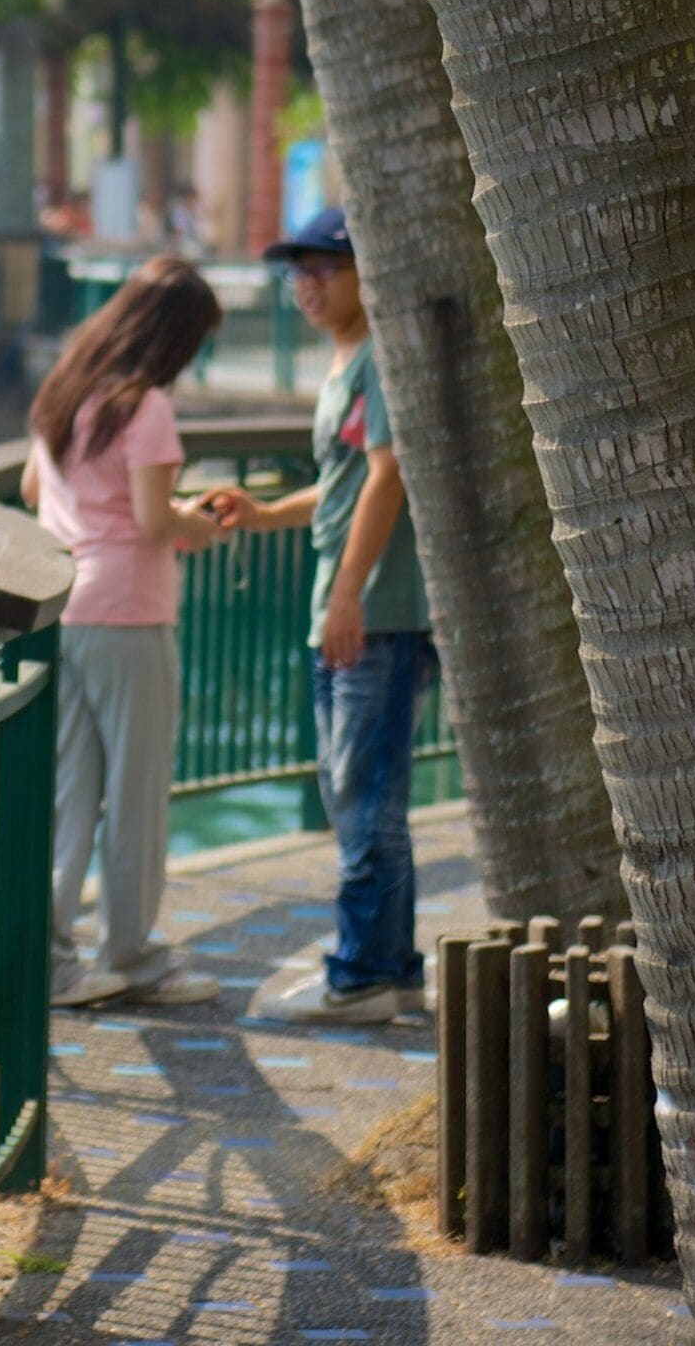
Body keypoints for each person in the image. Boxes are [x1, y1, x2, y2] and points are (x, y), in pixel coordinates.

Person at [206, 209, 438, 1024]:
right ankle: (393, 970)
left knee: (361, 796)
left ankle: (360, 976)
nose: (306, 285)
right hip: (352, 605)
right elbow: (342, 487)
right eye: (297, 271)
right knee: (368, 795)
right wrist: (265, 512)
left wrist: (349, 594)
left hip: (378, 612)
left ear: (364, 275)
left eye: (324, 269)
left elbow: (388, 476)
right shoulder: (346, 361)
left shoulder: (378, 360)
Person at [25, 256, 234, 1007]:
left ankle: (50, 962)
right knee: (136, 793)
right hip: (129, 613)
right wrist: (197, 525)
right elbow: (151, 521)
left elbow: (30, 490)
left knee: (70, 795)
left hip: (63, 608)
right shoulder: (143, 408)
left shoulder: (65, 389)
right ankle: (134, 956)